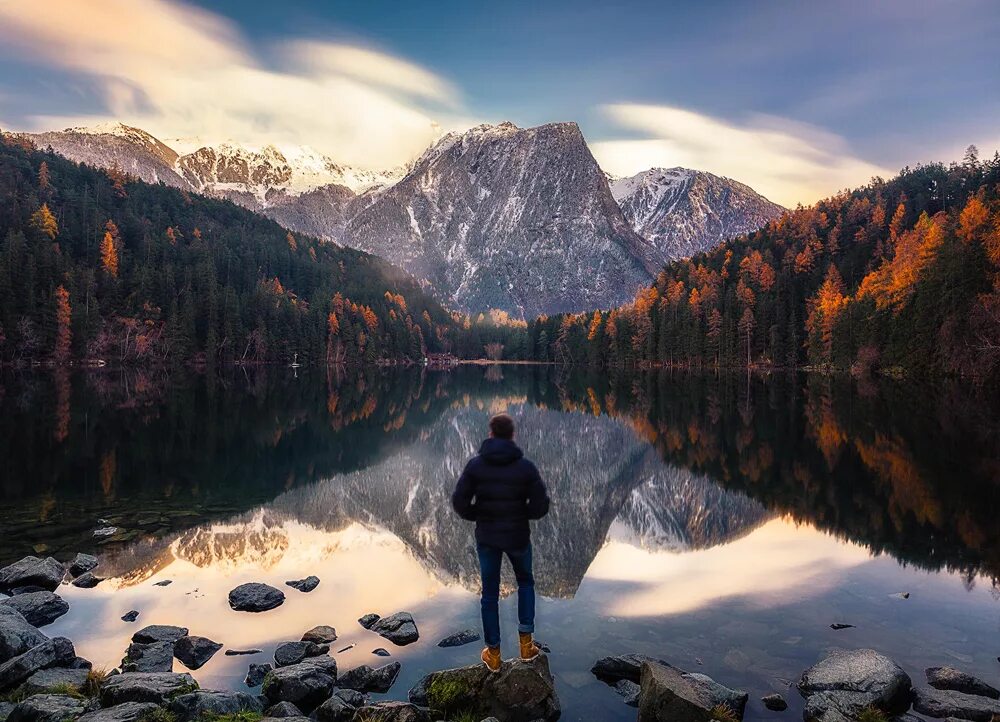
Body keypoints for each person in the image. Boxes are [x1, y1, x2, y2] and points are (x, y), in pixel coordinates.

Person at [452, 412, 550, 672]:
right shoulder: (525, 468)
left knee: (490, 594)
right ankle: (526, 645)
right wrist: (522, 514)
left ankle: (493, 654)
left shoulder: (476, 466)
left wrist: (479, 516)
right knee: (525, 582)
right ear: (512, 435)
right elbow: (541, 506)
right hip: (518, 535)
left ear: (490, 434)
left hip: (487, 538)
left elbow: (460, 503)